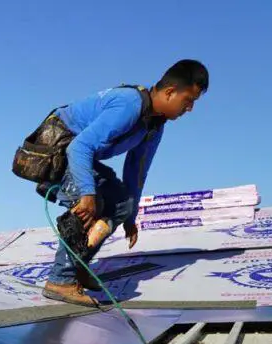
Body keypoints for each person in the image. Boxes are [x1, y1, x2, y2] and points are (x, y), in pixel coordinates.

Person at [21, 60, 209, 306]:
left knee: (120, 204)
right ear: (170, 91)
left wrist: (129, 216)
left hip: (73, 155)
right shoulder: (129, 105)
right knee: (89, 204)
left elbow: (136, 172)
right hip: (53, 152)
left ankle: (77, 268)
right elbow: (80, 147)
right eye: (189, 100)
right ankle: (60, 280)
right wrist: (88, 195)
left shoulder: (154, 126)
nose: (190, 108)